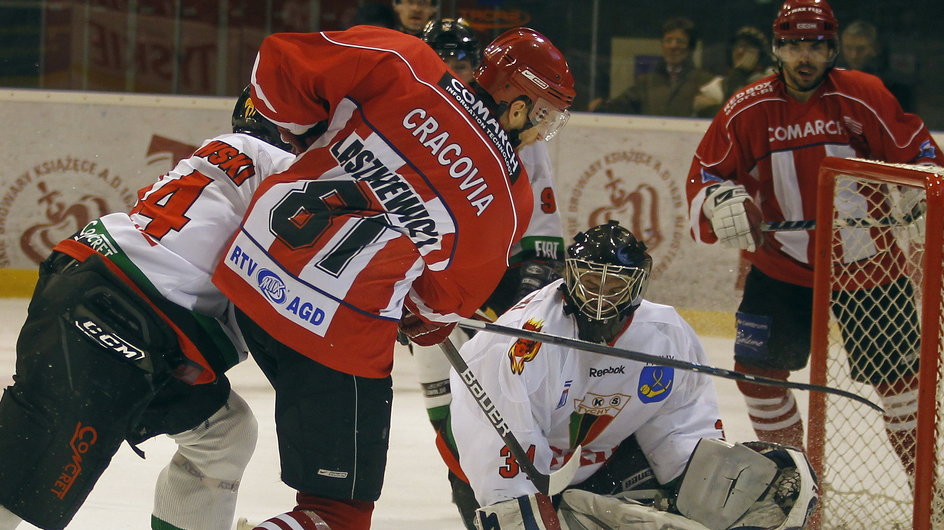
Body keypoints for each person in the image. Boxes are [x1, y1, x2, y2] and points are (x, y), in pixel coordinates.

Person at [211, 25, 576, 530]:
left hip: (245, 278)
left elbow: (277, 61)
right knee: (337, 515)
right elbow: (438, 311)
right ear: (516, 105)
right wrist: (414, 311)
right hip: (334, 336)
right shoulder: (510, 193)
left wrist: (302, 132)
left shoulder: (405, 59)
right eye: (542, 114)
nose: (541, 129)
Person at [0, 88, 297, 530]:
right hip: (126, 316)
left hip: (108, 293)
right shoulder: (287, 171)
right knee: (31, 466)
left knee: (224, 434)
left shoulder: (226, 152)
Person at [685, 0, 943, 478]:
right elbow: (706, 174)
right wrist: (717, 200)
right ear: (778, 48)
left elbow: (921, 151)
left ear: (832, 49)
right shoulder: (748, 108)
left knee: (903, 386)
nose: (806, 57)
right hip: (782, 265)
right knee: (756, 374)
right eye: (795, 45)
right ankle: (798, 482)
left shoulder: (863, 94)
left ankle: (927, 485)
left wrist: (920, 182)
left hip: (870, 267)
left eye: (817, 46)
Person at [446, 221, 818, 529]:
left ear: (638, 283)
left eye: (615, 284)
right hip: (487, 471)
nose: (601, 297)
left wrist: (707, 484)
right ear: (570, 277)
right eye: (592, 282)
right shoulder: (523, 342)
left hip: (596, 464)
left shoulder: (665, 333)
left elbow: (682, 427)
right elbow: (497, 450)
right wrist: (523, 510)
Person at [413, 17, 569, 524]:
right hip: (430, 288)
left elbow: (541, 230)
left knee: (520, 410)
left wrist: (532, 281)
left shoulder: (525, 139)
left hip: (497, 283)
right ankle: (477, 510)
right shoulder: (418, 121)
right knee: (449, 420)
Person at [591, 17, 715, 117]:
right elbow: (623, 105)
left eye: (680, 41)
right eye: (668, 40)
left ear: (690, 48)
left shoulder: (705, 81)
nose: (673, 46)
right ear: (662, 45)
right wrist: (600, 106)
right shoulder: (646, 82)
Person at [694, 26, 773, 118]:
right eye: (738, 46)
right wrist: (739, 73)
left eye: (748, 47)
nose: (740, 51)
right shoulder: (717, 85)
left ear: (760, 55)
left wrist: (717, 105)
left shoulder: (771, 84)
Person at [839, 19, 915, 112]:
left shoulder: (896, 87)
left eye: (861, 49)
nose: (854, 55)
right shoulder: (833, 83)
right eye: (848, 48)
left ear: (875, 48)